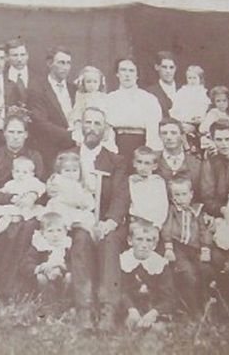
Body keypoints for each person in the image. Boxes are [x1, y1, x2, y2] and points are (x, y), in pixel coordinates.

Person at [64, 107, 130, 331]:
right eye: (88, 122)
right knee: (81, 239)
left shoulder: (116, 160)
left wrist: (109, 222)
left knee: (109, 241)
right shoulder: (69, 157)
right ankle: (84, 308)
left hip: (107, 220)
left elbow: (121, 195)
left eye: (97, 124)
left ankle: (108, 309)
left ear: (106, 130)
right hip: (79, 220)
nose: (92, 128)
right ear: (80, 126)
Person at [0, 114, 45, 298]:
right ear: (4, 133)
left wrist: (33, 195)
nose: (15, 136)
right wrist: (12, 198)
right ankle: (3, 285)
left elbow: (42, 187)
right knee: (11, 227)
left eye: (19, 132)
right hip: (5, 207)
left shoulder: (35, 156)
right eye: (11, 132)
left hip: (30, 210)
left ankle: (19, 285)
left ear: (26, 134)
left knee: (28, 226)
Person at [162, 177, 212, 316]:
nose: (181, 198)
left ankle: (206, 304)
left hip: (195, 248)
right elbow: (167, 228)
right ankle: (194, 309)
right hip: (178, 248)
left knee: (204, 270)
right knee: (188, 274)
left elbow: (204, 230)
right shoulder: (171, 210)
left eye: (184, 194)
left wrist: (205, 248)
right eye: (177, 195)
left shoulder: (197, 210)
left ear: (191, 194)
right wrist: (169, 247)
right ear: (172, 197)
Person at [105, 58, 163, 166]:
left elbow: (153, 131)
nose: (127, 74)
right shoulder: (109, 99)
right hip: (116, 146)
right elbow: (107, 129)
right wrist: (112, 152)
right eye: (123, 70)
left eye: (131, 71)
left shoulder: (149, 99)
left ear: (137, 75)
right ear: (117, 74)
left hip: (141, 145)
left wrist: (147, 154)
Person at [119, 219, 174, 331]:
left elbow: (169, 296)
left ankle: (152, 325)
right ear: (130, 241)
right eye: (139, 239)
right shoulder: (123, 261)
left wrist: (154, 312)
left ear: (154, 245)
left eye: (148, 240)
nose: (144, 245)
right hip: (130, 307)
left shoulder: (160, 265)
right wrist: (131, 309)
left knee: (158, 329)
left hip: (153, 307)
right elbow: (120, 290)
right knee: (128, 324)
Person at [28, 46, 77, 170]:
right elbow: (40, 122)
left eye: (68, 63)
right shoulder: (37, 89)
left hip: (75, 150)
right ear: (49, 63)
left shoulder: (74, 89)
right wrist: (70, 136)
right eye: (61, 62)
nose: (65, 67)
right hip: (50, 151)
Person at [0, 156, 46, 237]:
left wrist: (32, 195)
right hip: (13, 207)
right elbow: (2, 191)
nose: (20, 175)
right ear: (12, 172)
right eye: (17, 171)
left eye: (24, 172)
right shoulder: (11, 183)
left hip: (24, 208)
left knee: (7, 216)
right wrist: (0, 192)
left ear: (32, 174)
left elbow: (41, 187)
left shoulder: (33, 182)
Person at [21, 212, 72, 300]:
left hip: (62, 276)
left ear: (65, 232)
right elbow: (26, 263)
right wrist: (41, 267)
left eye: (59, 230)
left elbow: (75, 263)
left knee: (70, 277)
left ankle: (65, 301)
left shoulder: (67, 245)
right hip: (45, 277)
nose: (55, 235)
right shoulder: (40, 245)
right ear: (43, 233)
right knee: (41, 278)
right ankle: (47, 302)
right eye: (50, 231)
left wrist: (63, 266)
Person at [45, 152, 96, 237]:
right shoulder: (59, 182)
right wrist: (81, 202)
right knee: (60, 214)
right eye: (67, 170)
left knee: (87, 216)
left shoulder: (80, 184)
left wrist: (87, 203)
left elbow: (89, 201)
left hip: (75, 210)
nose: (71, 174)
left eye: (74, 170)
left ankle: (78, 225)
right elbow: (67, 198)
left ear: (80, 172)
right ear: (60, 171)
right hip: (61, 207)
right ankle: (67, 226)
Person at [68, 66, 117, 153]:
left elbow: (109, 114)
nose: (92, 85)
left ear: (100, 83)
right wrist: (77, 124)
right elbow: (77, 112)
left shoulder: (104, 98)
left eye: (95, 82)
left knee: (105, 145)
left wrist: (107, 127)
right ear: (83, 83)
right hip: (86, 127)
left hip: (101, 128)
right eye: (88, 82)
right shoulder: (81, 97)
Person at [156, 118, 202, 199]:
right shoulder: (153, 160)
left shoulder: (196, 163)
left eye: (173, 133)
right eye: (164, 133)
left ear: (182, 135)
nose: (168, 137)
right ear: (159, 136)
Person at [169, 65, 210, 153]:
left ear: (200, 79)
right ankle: (187, 148)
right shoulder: (182, 92)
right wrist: (185, 120)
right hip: (185, 122)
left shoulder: (204, 93)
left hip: (201, 123)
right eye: (189, 78)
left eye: (194, 78)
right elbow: (176, 110)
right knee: (182, 131)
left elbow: (206, 109)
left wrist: (200, 118)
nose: (192, 81)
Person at [128, 146, 169, 230]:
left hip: (154, 223)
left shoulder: (158, 182)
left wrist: (157, 225)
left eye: (147, 163)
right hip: (136, 222)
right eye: (139, 162)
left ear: (154, 166)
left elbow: (163, 207)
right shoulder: (131, 181)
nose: (143, 167)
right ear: (134, 163)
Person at [199, 86, 229, 153]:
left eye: (224, 100)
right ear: (214, 102)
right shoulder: (213, 112)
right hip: (216, 139)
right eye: (218, 101)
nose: (221, 103)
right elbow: (202, 129)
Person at [5, 38, 41, 103]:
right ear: (7, 57)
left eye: (22, 55)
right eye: (15, 55)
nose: (19, 59)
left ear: (27, 55)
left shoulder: (39, 77)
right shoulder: (1, 77)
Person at [146, 51, 178, 117]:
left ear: (175, 68)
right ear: (157, 67)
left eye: (171, 67)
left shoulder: (184, 89)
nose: (168, 71)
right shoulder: (150, 92)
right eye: (164, 67)